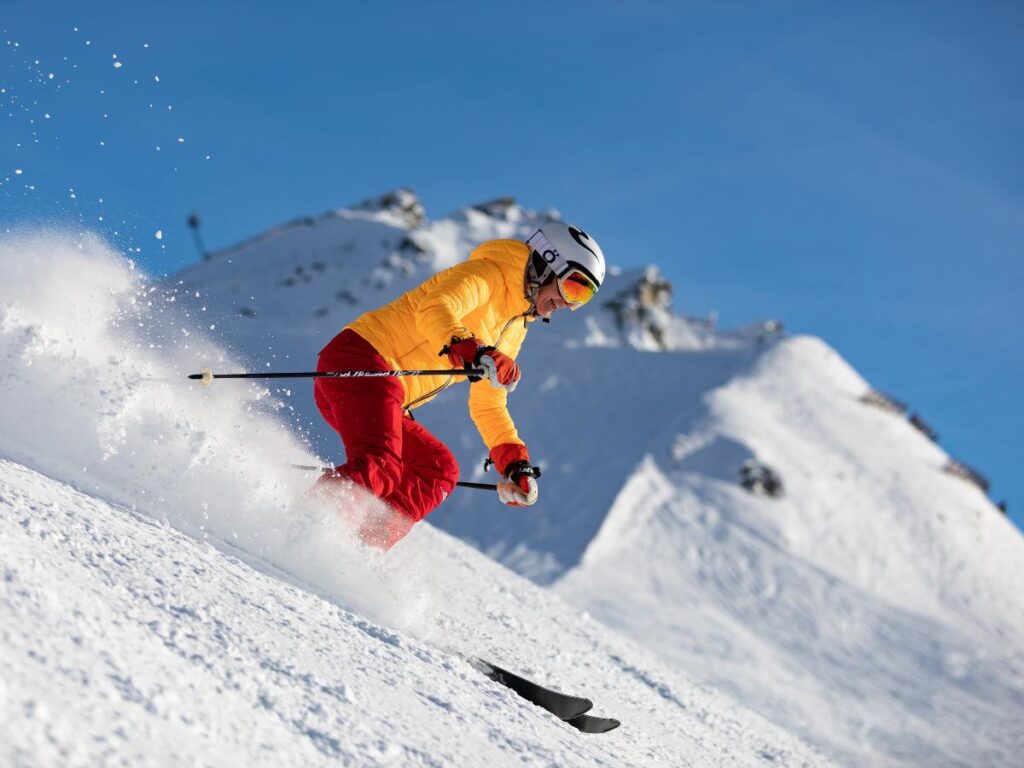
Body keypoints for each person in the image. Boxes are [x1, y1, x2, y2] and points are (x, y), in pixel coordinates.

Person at [313, 221, 606, 548]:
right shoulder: (488, 275)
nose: (569, 304)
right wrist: (472, 349)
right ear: (548, 262)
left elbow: (488, 404)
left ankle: (357, 549)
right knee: (381, 465)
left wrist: (513, 463)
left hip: (386, 394)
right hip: (362, 359)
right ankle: (306, 523)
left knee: (437, 470)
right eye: (573, 288)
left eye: (583, 298)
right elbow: (435, 307)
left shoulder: (515, 326)